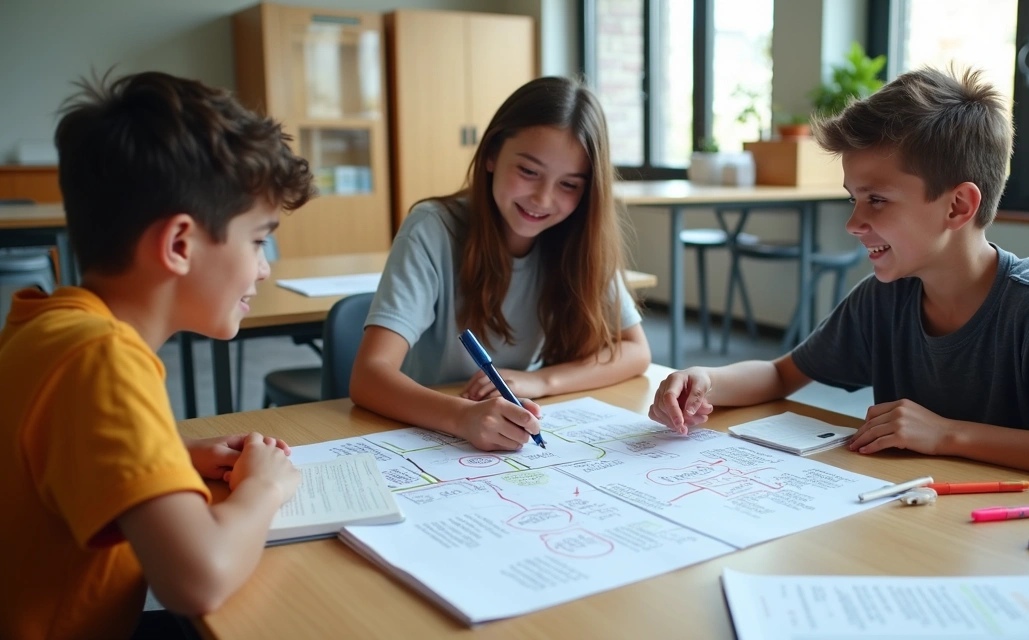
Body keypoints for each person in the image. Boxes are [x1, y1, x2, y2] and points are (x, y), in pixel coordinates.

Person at [646, 67, 1029, 495]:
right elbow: (783, 374)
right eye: (853, 198)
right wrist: (706, 379)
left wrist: (948, 435)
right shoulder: (884, 297)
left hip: (1000, 529)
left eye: (877, 200)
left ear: (958, 206)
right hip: (913, 510)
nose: (853, 223)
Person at [0, 71, 312, 639]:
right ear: (178, 245)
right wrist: (266, 487)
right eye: (258, 240)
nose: (264, 268)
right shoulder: (104, 360)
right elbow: (197, 580)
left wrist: (174, 457)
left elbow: (60, 453)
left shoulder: (46, 323)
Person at [351, 76, 650, 452]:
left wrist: (540, 381)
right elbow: (368, 377)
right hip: (425, 434)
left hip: (500, 432)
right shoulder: (433, 229)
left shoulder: (578, 238)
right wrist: (462, 417)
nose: (542, 198)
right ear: (491, 154)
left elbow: (636, 351)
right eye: (528, 171)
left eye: (569, 184)